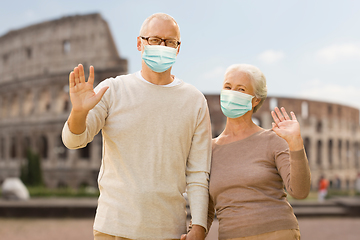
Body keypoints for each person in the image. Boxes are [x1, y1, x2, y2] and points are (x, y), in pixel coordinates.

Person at [62, 13, 212, 240]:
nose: (162, 46)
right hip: (114, 227)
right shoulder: (113, 90)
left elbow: (198, 172)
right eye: (154, 39)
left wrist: (199, 227)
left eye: (170, 42)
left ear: (178, 48)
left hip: (169, 229)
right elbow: (73, 140)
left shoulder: (195, 101)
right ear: (139, 43)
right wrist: (79, 112)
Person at [183, 64, 311, 240]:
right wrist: (195, 231)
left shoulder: (272, 140)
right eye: (227, 87)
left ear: (255, 99)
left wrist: (296, 144)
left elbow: (299, 191)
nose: (231, 93)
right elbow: (206, 207)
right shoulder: (208, 150)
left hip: (278, 233)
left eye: (241, 89)